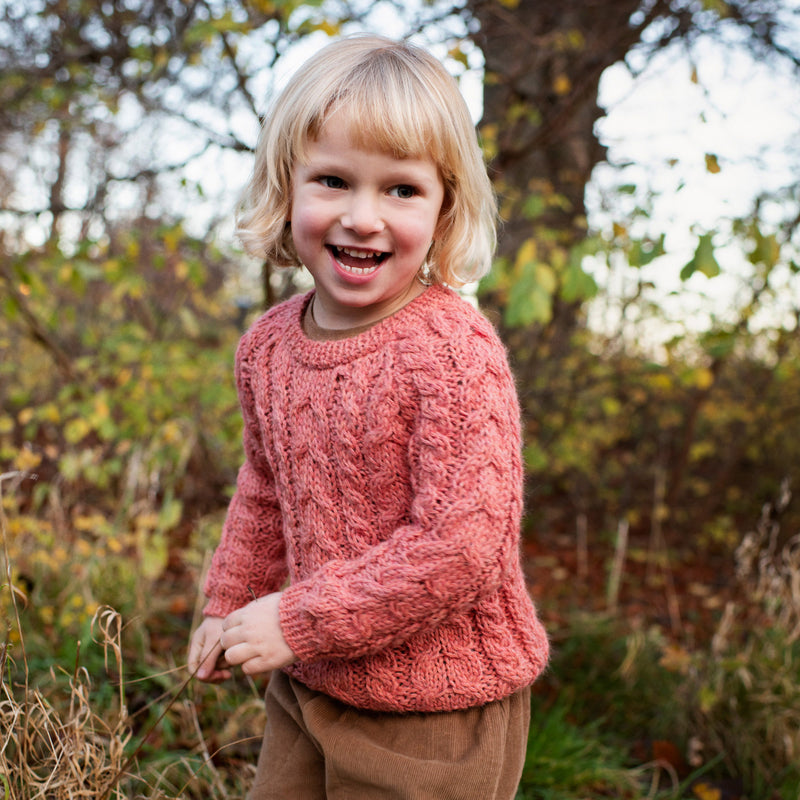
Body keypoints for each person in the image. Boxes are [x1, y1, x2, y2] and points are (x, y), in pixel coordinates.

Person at [188, 33, 549, 800]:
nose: (362, 217)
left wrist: (294, 618)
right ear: (286, 187)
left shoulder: (450, 351)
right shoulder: (268, 348)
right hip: (313, 679)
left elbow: (462, 545)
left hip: (438, 707)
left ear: (446, 205)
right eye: (332, 180)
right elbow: (265, 488)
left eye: (401, 190)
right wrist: (228, 605)